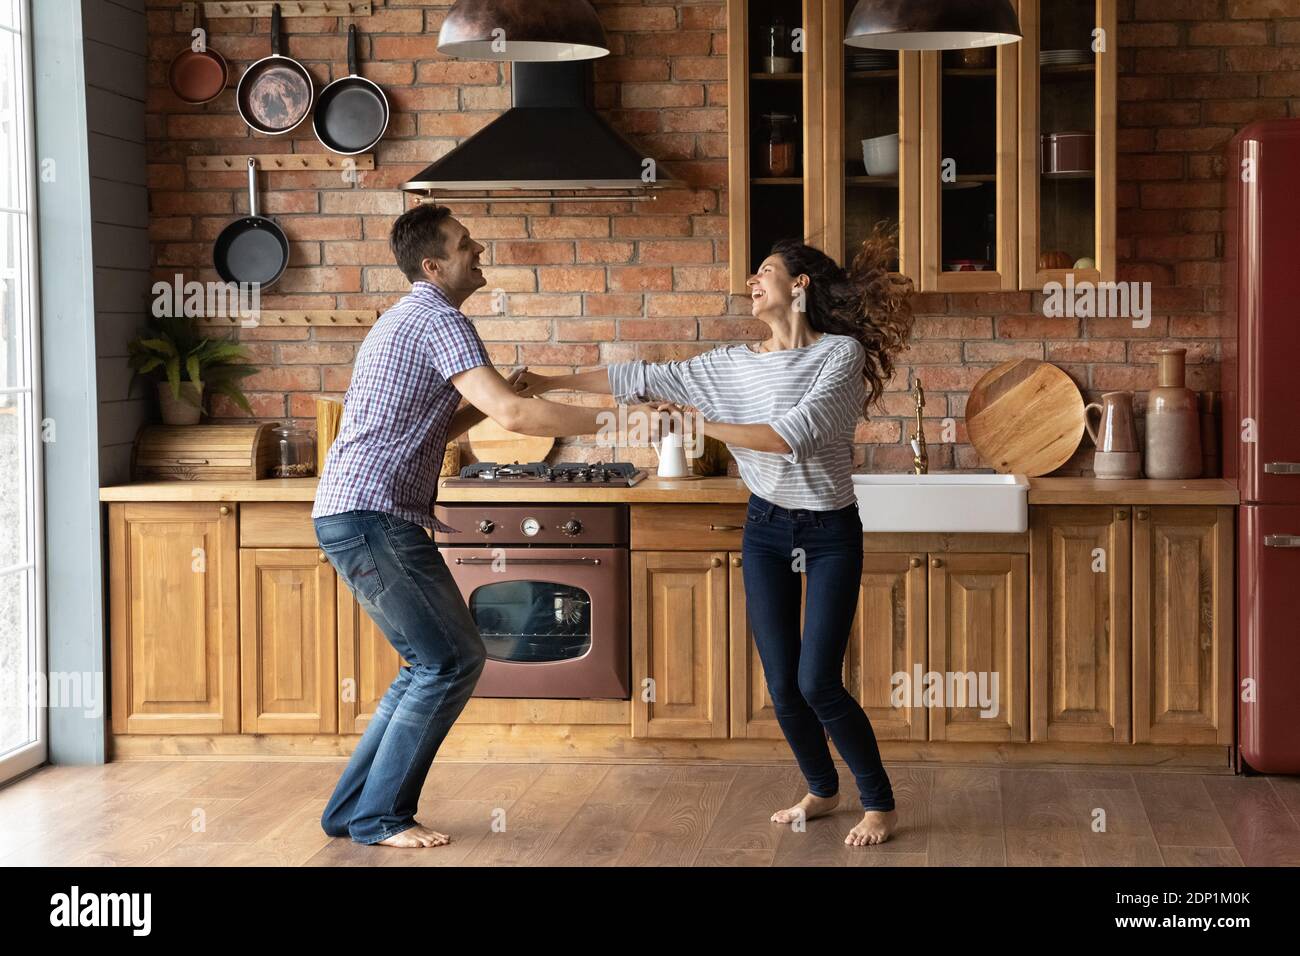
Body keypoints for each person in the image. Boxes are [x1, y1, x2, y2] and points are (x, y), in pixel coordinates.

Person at [531, 226, 916, 846]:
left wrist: (696, 422)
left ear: (799, 284)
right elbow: (641, 376)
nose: (750, 282)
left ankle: (880, 804)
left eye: (762, 271)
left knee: (818, 680)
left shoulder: (837, 355)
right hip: (766, 526)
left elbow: (790, 438)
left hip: (827, 532)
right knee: (782, 682)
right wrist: (546, 383)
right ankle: (822, 788)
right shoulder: (731, 366)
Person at [311, 203, 611, 848]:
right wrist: (617, 424)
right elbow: (517, 419)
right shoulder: (440, 317)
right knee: (449, 661)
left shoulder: (413, 317)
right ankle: (380, 817)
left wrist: (502, 397)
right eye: (466, 245)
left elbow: (436, 426)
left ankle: (353, 812)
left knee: (428, 662)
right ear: (433, 265)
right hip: (373, 513)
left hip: (358, 510)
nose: (479, 252)